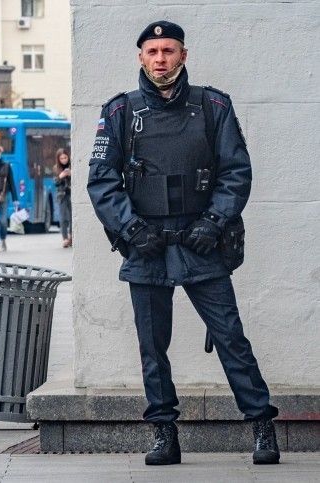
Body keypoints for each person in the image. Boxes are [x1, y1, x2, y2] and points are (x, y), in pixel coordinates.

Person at [86, 21, 279, 466]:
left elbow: (236, 171)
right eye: (152, 51)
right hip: (146, 244)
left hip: (202, 241)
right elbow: (101, 181)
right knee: (153, 347)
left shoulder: (213, 106)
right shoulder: (119, 113)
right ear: (141, 58)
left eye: (168, 50)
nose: (160, 59)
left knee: (231, 337)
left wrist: (215, 221)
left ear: (183, 56)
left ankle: (262, 425)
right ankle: (163, 433)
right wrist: (131, 229)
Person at [54, 148, 72, 248]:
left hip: (71, 195)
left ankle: (71, 237)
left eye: (65, 157)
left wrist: (71, 174)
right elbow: (55, 183)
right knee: (63, 218)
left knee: (72, 217)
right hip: (61, 196)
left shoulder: (72, 167)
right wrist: (60, 176)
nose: (64, 160)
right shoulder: (56, 168)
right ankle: (65, 238)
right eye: (61, 158)